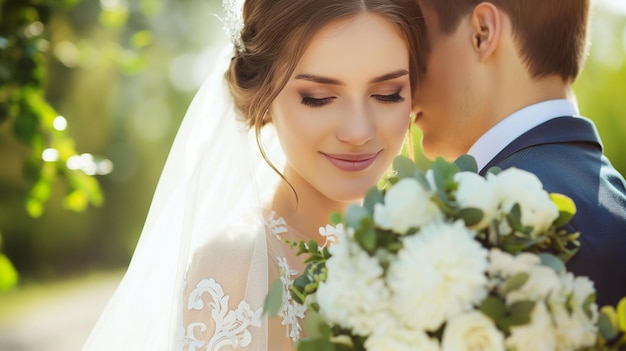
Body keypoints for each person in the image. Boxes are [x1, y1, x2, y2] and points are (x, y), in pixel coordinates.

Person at [82, 0, 424, 350]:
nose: (358, 130)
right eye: (318, 98)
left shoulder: (436, 251)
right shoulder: (235, 270)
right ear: (265, 95)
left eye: (387, 94)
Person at [412, 0, 626, 307]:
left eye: (418, 45)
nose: (404, 88)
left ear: (482, 33)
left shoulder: (490, 231)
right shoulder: (614, 199)